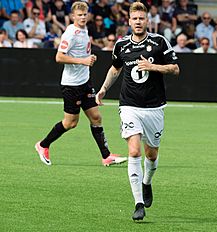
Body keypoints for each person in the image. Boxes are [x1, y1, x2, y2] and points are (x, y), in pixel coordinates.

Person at [95, 1, 180, 221]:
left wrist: (153, 67)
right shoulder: (121, 45)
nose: (138, 22)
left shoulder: (160, 42)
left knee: (151, 155)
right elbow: (115, 68)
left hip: (154, 107)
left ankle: (147, 182)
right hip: (129, 105)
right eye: (135, 19)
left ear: (147, 20)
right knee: (134, 152)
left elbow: (175, 68)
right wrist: (104, 89)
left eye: (142, 18)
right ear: (129, 21)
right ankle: (138, 203)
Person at [35, 1, 127, 167]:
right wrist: (83, 60)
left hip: (85, 82)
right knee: (71, 123)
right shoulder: (70, 33)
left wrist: (89, 58)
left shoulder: (85, 30)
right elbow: (59, 57)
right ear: (73, 16)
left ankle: (106, 156)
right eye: (79, 15)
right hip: (71, 85)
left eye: (85, 14)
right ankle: (43, 145)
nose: (83, 17)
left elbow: (81, 52)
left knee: (96, 117)